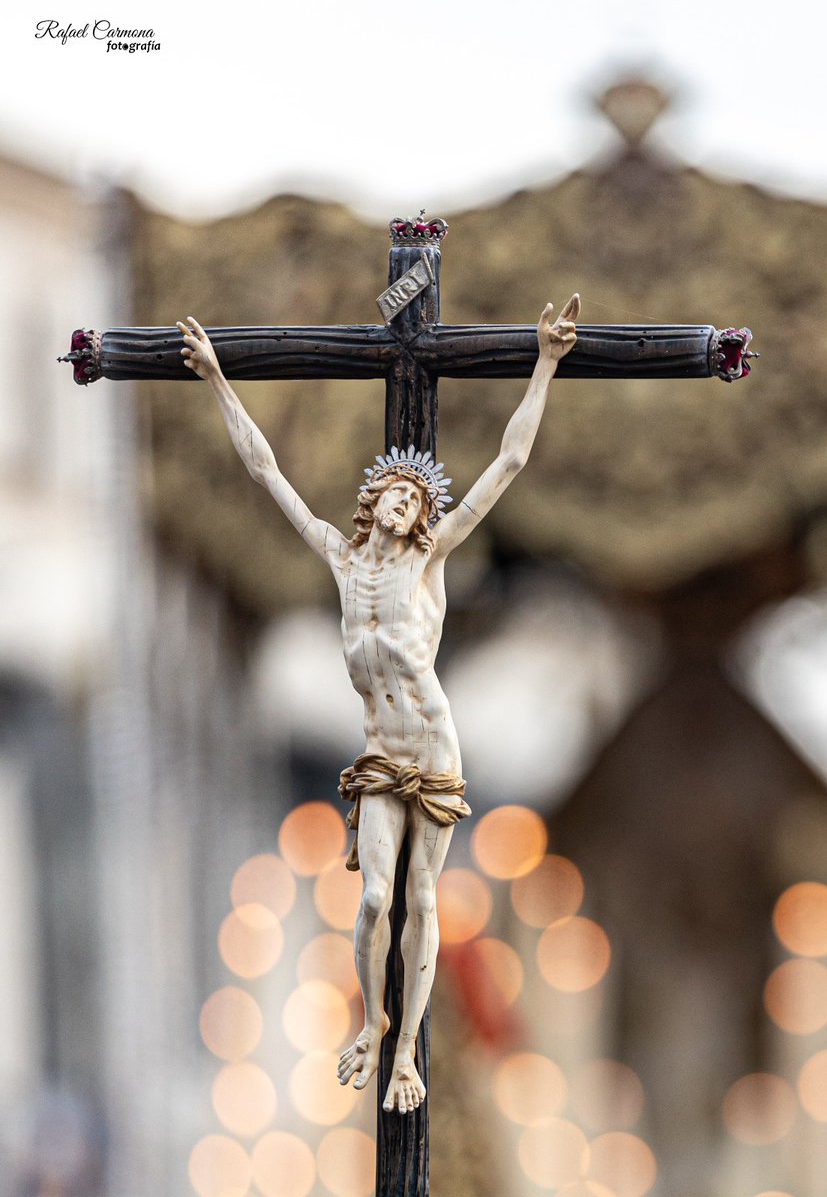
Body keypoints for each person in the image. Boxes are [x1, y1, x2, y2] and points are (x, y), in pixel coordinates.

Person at [177, 295, 579, 1114]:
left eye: (414, 500)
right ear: (373, 503)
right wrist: (218, 380)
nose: (402, 504)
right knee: (370, 900)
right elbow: (268, 475)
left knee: (424, 900)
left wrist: (543, 362)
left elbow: (505, 467)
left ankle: (406, 1057)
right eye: (392, 494)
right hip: (374, 749)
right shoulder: (341, 558)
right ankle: (373, 1024)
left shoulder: (430, 566)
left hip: (429, 742)